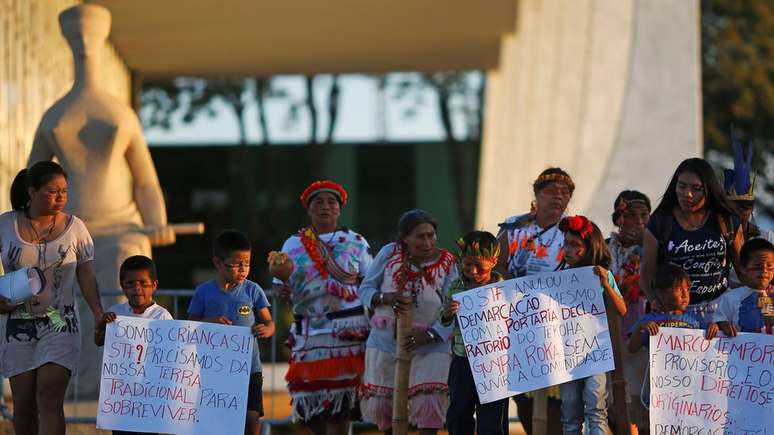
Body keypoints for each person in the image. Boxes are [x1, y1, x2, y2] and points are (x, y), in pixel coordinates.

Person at [0, 161, 104, 435]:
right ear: (31, 192)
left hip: (60, 324)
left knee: (49, 397)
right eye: (52, 191)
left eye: (64, 191)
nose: (60, 197)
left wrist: (97, 313)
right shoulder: (6, 224)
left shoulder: (76, 227)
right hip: (17, 324)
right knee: (22, 407)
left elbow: (86, 274)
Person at [273, 181, 373, 435]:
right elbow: (277, 286)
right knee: (311, 410)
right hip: (309, 335)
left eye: (332, 202)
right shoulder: (292, 245)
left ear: (340, 209)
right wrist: (281, 291)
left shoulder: (357, 242)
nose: (325, 207)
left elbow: (370, 283)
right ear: (309, 210)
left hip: (347, 335)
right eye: (318, 202)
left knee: (340, 410)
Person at [357, 209, 457, 435]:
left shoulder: (448, 262)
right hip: (385, 341)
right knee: (385, 407)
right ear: (404, 238)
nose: (427, 242)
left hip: (431, 344)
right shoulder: (388, 254)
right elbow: (365, 288)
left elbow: (454, 306)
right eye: (420, 237)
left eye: (431, 235)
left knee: (430, 404)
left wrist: (432, 334)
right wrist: (385, 298)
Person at [496, 167, 574, 434]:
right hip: (521, 325)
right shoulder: (513, 230)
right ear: (537, 195)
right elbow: (496, 269)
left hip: (560, 328)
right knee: (525, 401)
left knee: (558, 401)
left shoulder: (575, 232)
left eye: (565, 193)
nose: (558, 197)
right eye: (551, 191)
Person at [188, 230, 274, 435]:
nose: (243, 269)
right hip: (215, 369)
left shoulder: (253, 290)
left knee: (251, 416)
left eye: (247, 263)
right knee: (218, 417)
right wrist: (210, 322)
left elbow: (269, 322)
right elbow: (190, 325)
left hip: (249, 367)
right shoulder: (203, 292)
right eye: (237, 264)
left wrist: (267, 329)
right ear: (218, 263)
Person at [640, 158, 744, 320]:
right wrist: (655, 302)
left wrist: (762, 295)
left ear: (709, 190)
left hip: (722, 312)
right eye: (682, 186)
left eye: (696, 189)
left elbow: (742, 268)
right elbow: (647, 272)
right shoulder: (659, 222)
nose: (687, 194)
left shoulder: (726, 220)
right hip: (675, 314)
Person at [556, 215, 627, 435]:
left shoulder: (602, 276)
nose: (567, 250)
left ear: (590, 247)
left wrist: (606, 283)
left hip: (596, 352)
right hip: (568, 355)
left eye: (574, 245)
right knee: (569, 411)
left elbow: (622, 309)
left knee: (596, 407)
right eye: (565, 244)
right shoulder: (559, 277)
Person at [94, 255, 172, 435]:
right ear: (122, 286)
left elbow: (170, 354)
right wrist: (101, 325)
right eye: (130, 283)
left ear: (154, 285)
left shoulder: (162, 316)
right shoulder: (115, 313)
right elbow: (99, 341)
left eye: (143, 283)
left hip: (151, 396)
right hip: (122, 396)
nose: (137, 288)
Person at [442, 231, 508, 435]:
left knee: (493, 420)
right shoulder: (455, 286)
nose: (473, 271)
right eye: (467, 264)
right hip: (462, 361)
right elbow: (443, 320)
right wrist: (447, 312)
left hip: (495, 365)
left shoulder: (504, 289)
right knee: (459, 414)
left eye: (480, 265)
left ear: (494, 261)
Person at [606, 191, 651, 433]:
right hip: (608, 333)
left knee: (638, 402)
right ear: (618, 219)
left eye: (645, 215)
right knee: (611, 402)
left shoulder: (655, 251)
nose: (639, 222)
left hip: (639, 334)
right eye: (632, 216)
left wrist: (647, 247)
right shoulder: (603, 248)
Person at [708, 238, 774, 336]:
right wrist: (721, 325)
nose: (764, 270)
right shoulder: (730, 297)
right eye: (757, 266)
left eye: (769, 265)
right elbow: (719, 319)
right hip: (740, 349)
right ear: (743, 269)